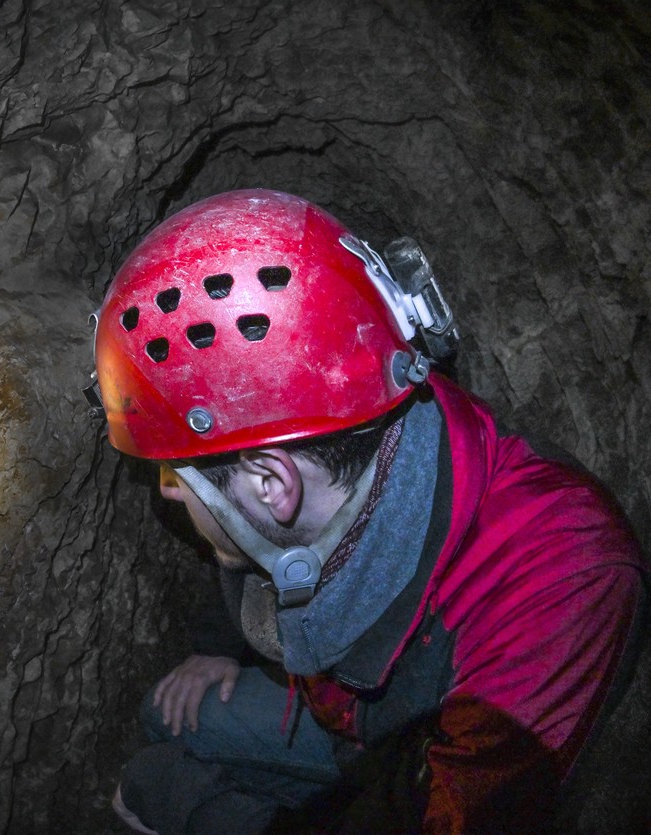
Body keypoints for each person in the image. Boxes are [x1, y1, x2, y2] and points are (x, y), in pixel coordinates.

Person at [89, 189, 646, 833]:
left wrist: (209, 813)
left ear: (273, 481)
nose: (164, 490)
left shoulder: (560, 584)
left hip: (416, 762)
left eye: (174, 473)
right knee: (165, 718)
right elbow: (249, 538)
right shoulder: (357, 411)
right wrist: (216, 646)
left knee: (157, 784)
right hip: (349, 719)